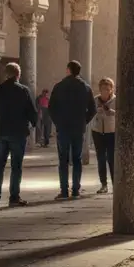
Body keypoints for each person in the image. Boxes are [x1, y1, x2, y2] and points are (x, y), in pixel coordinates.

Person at [0, 63, 37, 206]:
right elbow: (31, 112)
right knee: (16, 165)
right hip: (18, 132)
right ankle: (14, 197)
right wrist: (33, 123)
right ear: (18, 74)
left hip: (1, 131)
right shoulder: (23, 91)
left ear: (5, 74)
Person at [48, 60, 96, 200]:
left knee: (63, 159)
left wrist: (58, 122)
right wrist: (83, 121)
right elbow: (92, 109)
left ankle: (64, 190)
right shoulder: (85, 87)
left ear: (68, 70)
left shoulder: (59, 86)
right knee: (77, 159)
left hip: (63, 127)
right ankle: (75, 189)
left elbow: (51, 108)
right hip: (78, 127)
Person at [91, 78, 117, 194]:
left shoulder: (116, 100)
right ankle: (103, 185)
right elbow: (89, 113)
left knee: (111, 159)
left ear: (111, 89)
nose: (105, 91)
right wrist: (96, 112)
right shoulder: (95, 100)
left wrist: (111, 112)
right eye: (103, 89)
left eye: (107, 89)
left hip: (111, 132)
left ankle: (115, 184)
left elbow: (122, 114)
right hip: (98, 132)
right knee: (101, 159)